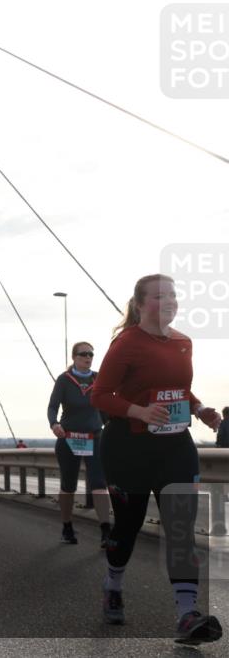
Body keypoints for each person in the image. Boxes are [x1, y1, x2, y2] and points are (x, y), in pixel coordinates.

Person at [91, 274, 223, 644]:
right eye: (160, 296)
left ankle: (186, 615)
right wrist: (139, 411)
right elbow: (100, 395)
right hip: (127, 449)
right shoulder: (127, 343)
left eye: (173, 295)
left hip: (175, 448)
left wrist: (199, 408)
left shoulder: (183, 342)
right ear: (141, 303)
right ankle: (113, 583)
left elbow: (178, 387)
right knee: (128, 527)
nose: (169, 301)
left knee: (180, 528)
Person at [47, 341, 112, 547]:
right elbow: (52, 407)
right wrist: (54, 424)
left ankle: (106, 532)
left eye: (91, 354)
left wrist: (112, 428)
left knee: (99, 484)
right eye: (83, 354)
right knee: (69, 485)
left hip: (94, 438)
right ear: (74, 357)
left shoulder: (99, 379)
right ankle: (67, 527)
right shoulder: (64, 380)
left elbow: (105, 411)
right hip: (69, 438)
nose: (88, 357)